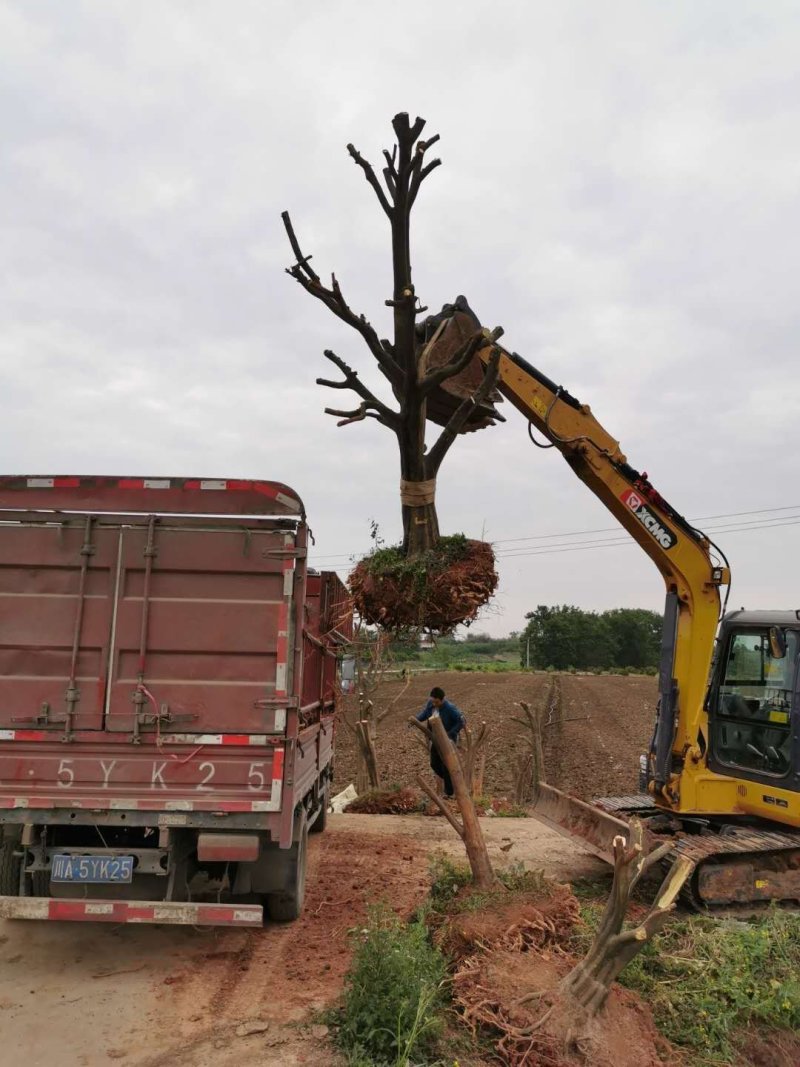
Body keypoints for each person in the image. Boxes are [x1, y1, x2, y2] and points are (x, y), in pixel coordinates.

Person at [416, 686, 465, 799]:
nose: (434, 704)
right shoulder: (431, 704)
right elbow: (425, 714)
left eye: (436, 702)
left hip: (448, 740)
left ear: (443, 699)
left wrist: (450, 734)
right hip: (436, 738)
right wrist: (415, 720)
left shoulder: (450, 708)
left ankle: (449, 792)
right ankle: (452, 781)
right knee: (434, 763)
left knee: (445, 764)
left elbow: (462, 721)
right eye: (432, 701)